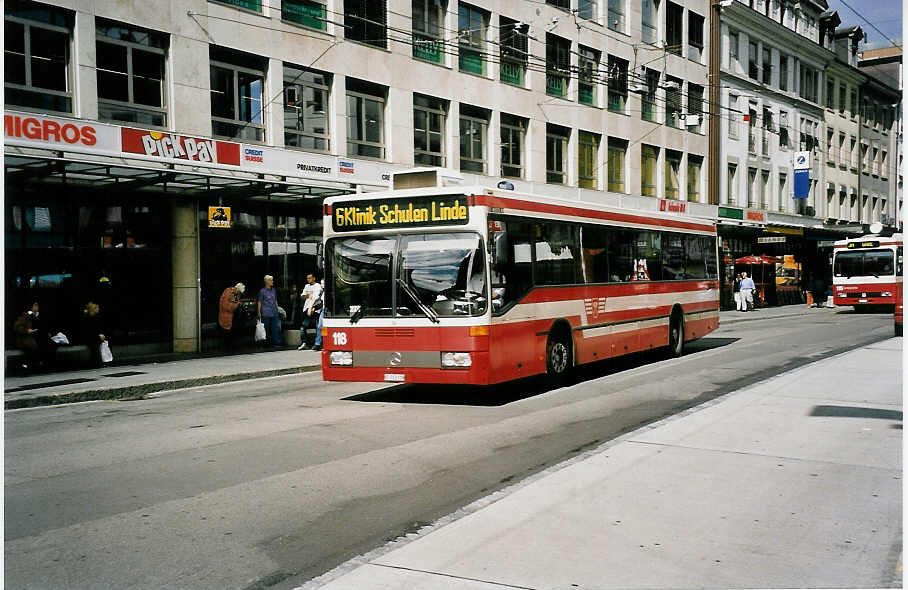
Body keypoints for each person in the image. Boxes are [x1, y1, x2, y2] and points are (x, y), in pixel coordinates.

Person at [298, 273, 323, 350]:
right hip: (307, 308)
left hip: (315, 309)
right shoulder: (306, 286)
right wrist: (308, 296)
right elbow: (302, 296)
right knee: (303, 326)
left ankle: (318, 343)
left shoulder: (318, 286)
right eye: (307, 278)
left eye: (310, 278)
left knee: (318, 326)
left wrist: (311, 307)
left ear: (314, 278)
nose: (308, 279)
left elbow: (316, 297)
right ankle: (304, 342)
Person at [218, 283, 245, 351]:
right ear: (237, 288)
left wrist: (238, 305)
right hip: (226, 316)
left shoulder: (236, 294)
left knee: (233, 332)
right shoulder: (228, 291)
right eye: (239, 292)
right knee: (227, 333)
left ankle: (232, 346)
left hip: (233, 317)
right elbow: (225, 305)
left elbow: (236, 303)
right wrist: (236, 305)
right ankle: (227, 348)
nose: (239, 293)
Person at [13, 305, 40, 370]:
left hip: (31, 339)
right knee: (30, 347)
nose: (36, 308)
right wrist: (27, 331)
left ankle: (34, 365)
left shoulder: (34, 317)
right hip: (23, 340)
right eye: (34, 306)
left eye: (37, 307)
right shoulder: (24, 317)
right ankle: (26, 366)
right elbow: (18, 329)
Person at [257, 275, 282, 347]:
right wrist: (258, 312)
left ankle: (276, 342)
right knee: (266, 328)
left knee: (275, 328)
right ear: (267, 281)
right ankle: (266, 343)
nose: (272, 281)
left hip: (274, 311)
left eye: (272, 280)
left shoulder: (274, 290)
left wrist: (278, 309)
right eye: (271, 280)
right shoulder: (262, 291)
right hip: (265, 312)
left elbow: (275, 300)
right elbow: (259, 302)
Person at [80, 302, 107, 367]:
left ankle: (95, 362)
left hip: (94, 336)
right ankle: (97, 363)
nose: (98, 309)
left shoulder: (95, 316)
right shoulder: (89, 317)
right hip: (92, 336)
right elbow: (90, 329)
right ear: (92, 309)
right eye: (96, 308)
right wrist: (99, 334)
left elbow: (98, 327)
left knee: (95, 349)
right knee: (95, 349)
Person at [312, 279, 326, 352]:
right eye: (321, 283)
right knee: (320, 326)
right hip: (323, 310)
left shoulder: (329, 292)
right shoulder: (322, 292)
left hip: (327, 311)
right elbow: (321, 302)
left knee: (323, 327)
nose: (321, 285)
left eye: (323, 283)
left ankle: (322, 343)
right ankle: (318, 343)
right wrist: (314, 307)